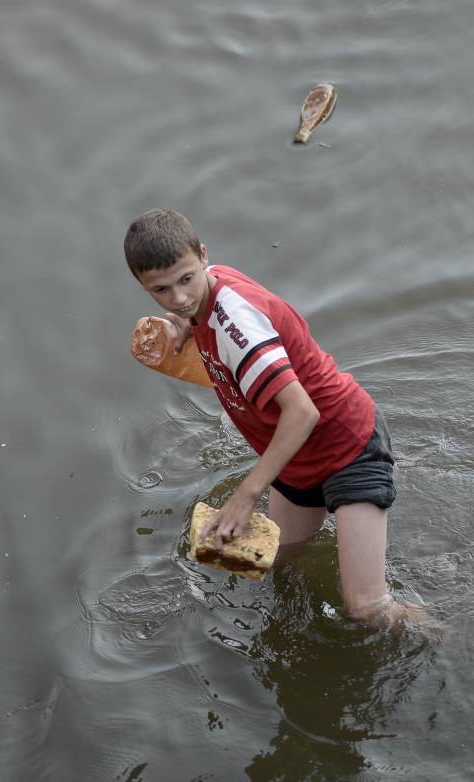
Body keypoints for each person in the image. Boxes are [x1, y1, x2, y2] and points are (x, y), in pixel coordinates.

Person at [124, 208, 425, 629]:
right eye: (161, 290)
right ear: (144, 286)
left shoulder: (236, 327)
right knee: (279, 563)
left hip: (346, 446)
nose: (178, 297)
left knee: (368, 609)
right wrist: (188, 321)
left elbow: (302, 412)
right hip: (298, 459)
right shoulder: (207, 292)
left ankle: (450, 641)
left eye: (186, 279)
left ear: (203, 255)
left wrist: (246, 495)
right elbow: (196, 304)